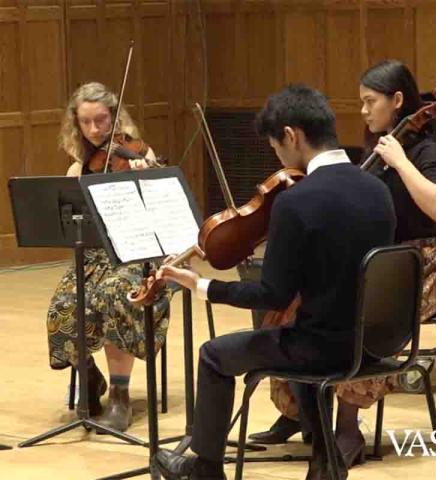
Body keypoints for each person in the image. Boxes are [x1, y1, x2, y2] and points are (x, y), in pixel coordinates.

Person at [152, 84, 397, 480]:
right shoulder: (378, 190)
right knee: (297, 334)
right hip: (375, 345)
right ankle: (324, 463)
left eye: (276, 147)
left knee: (215, 354)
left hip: (324, 349)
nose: (279, 157)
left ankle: (205, 469)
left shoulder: (296, 202)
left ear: (291, 136)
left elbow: (273, 294)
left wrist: (201, 285)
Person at [251, 60, 436, 471]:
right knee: (292, 306)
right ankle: (298, 413)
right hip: (365, 262)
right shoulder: (373, 146)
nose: (363, 110)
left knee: (362, 318)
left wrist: (400, 162)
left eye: (370, 101)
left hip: (412, 267)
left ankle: (346, 427)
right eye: (361, 102)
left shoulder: (425, 150)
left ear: (397, 101)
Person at [47, 82, 172, 432]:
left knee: (115, 295)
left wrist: (147, 179)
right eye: (85, 122)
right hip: (94, 258)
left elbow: (161, 212)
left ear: (114, 116)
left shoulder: (138, 155)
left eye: (100, 120)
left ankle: (119, 395)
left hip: (138, 255)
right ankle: (90, 378)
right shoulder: (79, 168)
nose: (94, 130)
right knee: (63, 306)